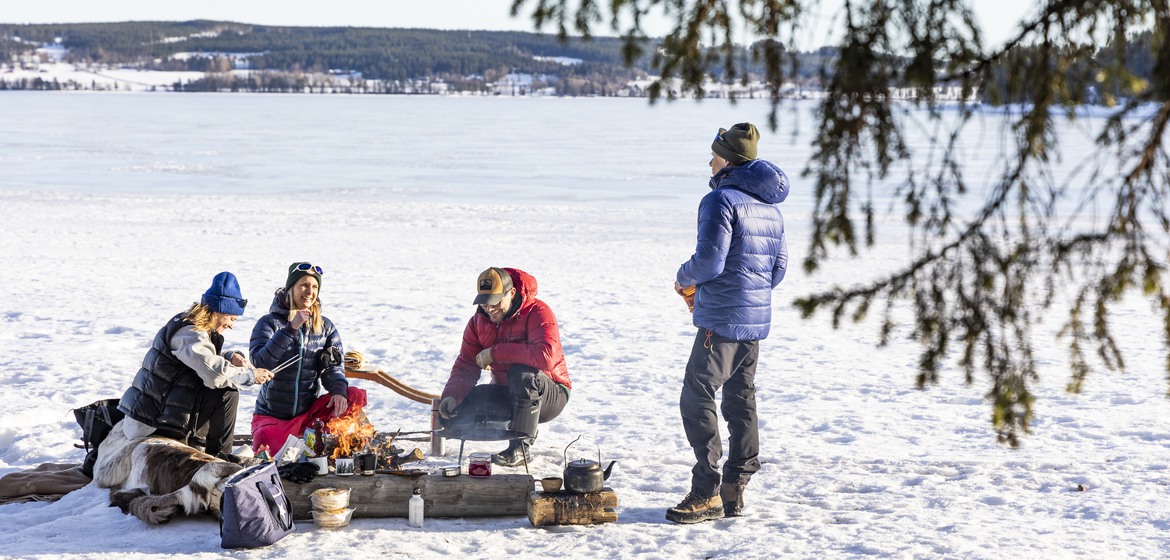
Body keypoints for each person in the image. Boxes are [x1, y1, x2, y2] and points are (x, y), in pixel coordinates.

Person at [666, 122, 789, 524]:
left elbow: (709, 263)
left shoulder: (719, 201)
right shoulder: (770, 208)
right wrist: (749, 295)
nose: (709, 160)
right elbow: (778, 269)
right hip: (754, 321)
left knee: (696, 395)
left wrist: (683, 277)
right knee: (741, 397)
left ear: (729, 161)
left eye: (715, 154)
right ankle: (734, 489)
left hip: (720, 320)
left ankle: (706, 492)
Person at [117, 271, 273, 461]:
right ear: (218, 311)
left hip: (160, 413)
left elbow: (199, 360)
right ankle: (220, 460)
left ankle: (217, 456)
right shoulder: (190, 333)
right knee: (226, 392)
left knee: (223, 387)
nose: (232, 326)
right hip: (151, 424)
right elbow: (213, 373)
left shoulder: (190, 327)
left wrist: (230, 357)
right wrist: (250, 375)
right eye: (232, 318)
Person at [437, 267, 571, 467]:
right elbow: (466, 365)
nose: (490, 308)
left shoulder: (538, 312)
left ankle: (520, 446)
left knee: (522, 374)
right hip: (507, 391)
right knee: (462, 407)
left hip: (550, 394)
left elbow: (546, 357)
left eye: (496, 301)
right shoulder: (477, 323)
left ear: (512, 293)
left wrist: (495, 353)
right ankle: (507, 426)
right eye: (484, 302)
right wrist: (451, 396)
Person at [249, 262, 367, 454]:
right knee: (272, 454)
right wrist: (290, 329)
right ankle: (305, 443)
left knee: (351, 395)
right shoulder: (269, 323)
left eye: (314, 287)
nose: (309, 291)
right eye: (303, 285)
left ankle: (324, 442)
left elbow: (333, 368)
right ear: (291, 288)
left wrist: (338, 390)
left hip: (309, 415)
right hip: (273, 415)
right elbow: (261, 363)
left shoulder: (325, 327)